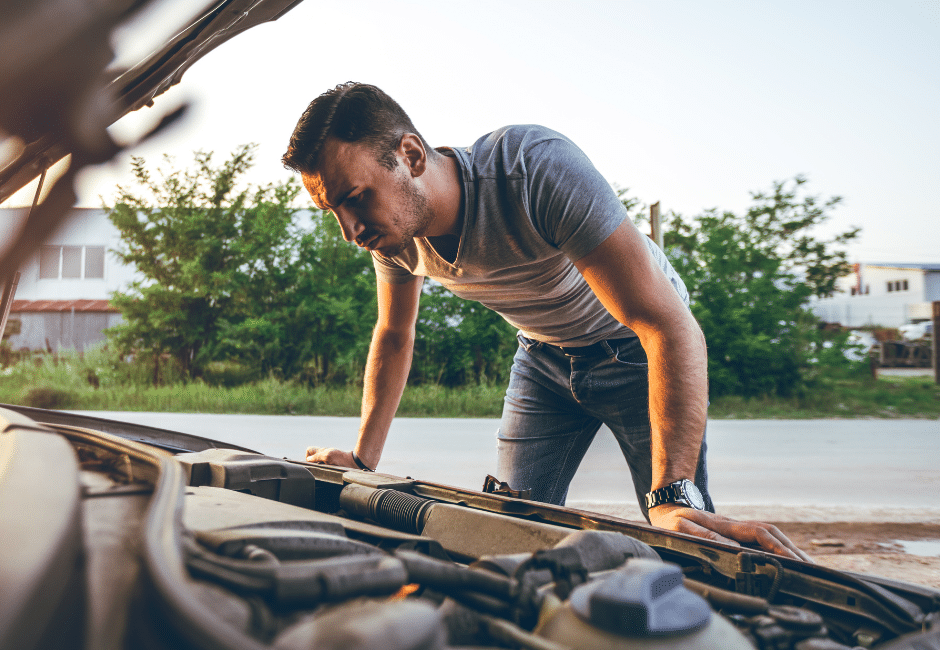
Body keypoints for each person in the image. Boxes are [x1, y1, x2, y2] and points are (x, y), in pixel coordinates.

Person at [282, 82, 810, 561]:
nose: (350, 230)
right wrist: (361, 460)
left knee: (684, 534)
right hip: (541, 359)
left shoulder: (533, 168)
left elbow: (668, 326)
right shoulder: (392, 235)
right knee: (504, 536)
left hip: (634, 348)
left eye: (355, 199)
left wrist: (672, 492)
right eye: (333, 210)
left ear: (411, 156)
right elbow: (395, 335)